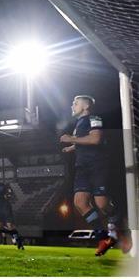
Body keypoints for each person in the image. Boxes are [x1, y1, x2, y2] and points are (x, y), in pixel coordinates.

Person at [60, 95, 132, 256]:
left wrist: (71, 139)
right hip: (82, 167)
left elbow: (96, 138)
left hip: (97, 165)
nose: (72, 105)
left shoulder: (94, 118)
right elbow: (82, 141)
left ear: (86, 106)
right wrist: (71, 147)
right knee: (80, 202)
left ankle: (121, 228)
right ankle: (104, 238)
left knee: (102, 204)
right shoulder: (78, 124)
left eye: (75, 103)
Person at [0, 170, 24, 249]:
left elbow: (9, 194)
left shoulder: (3, 186)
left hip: (5, 207)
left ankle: (18, 241)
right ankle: (12, 233)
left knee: (10, 225)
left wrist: (8, 196)